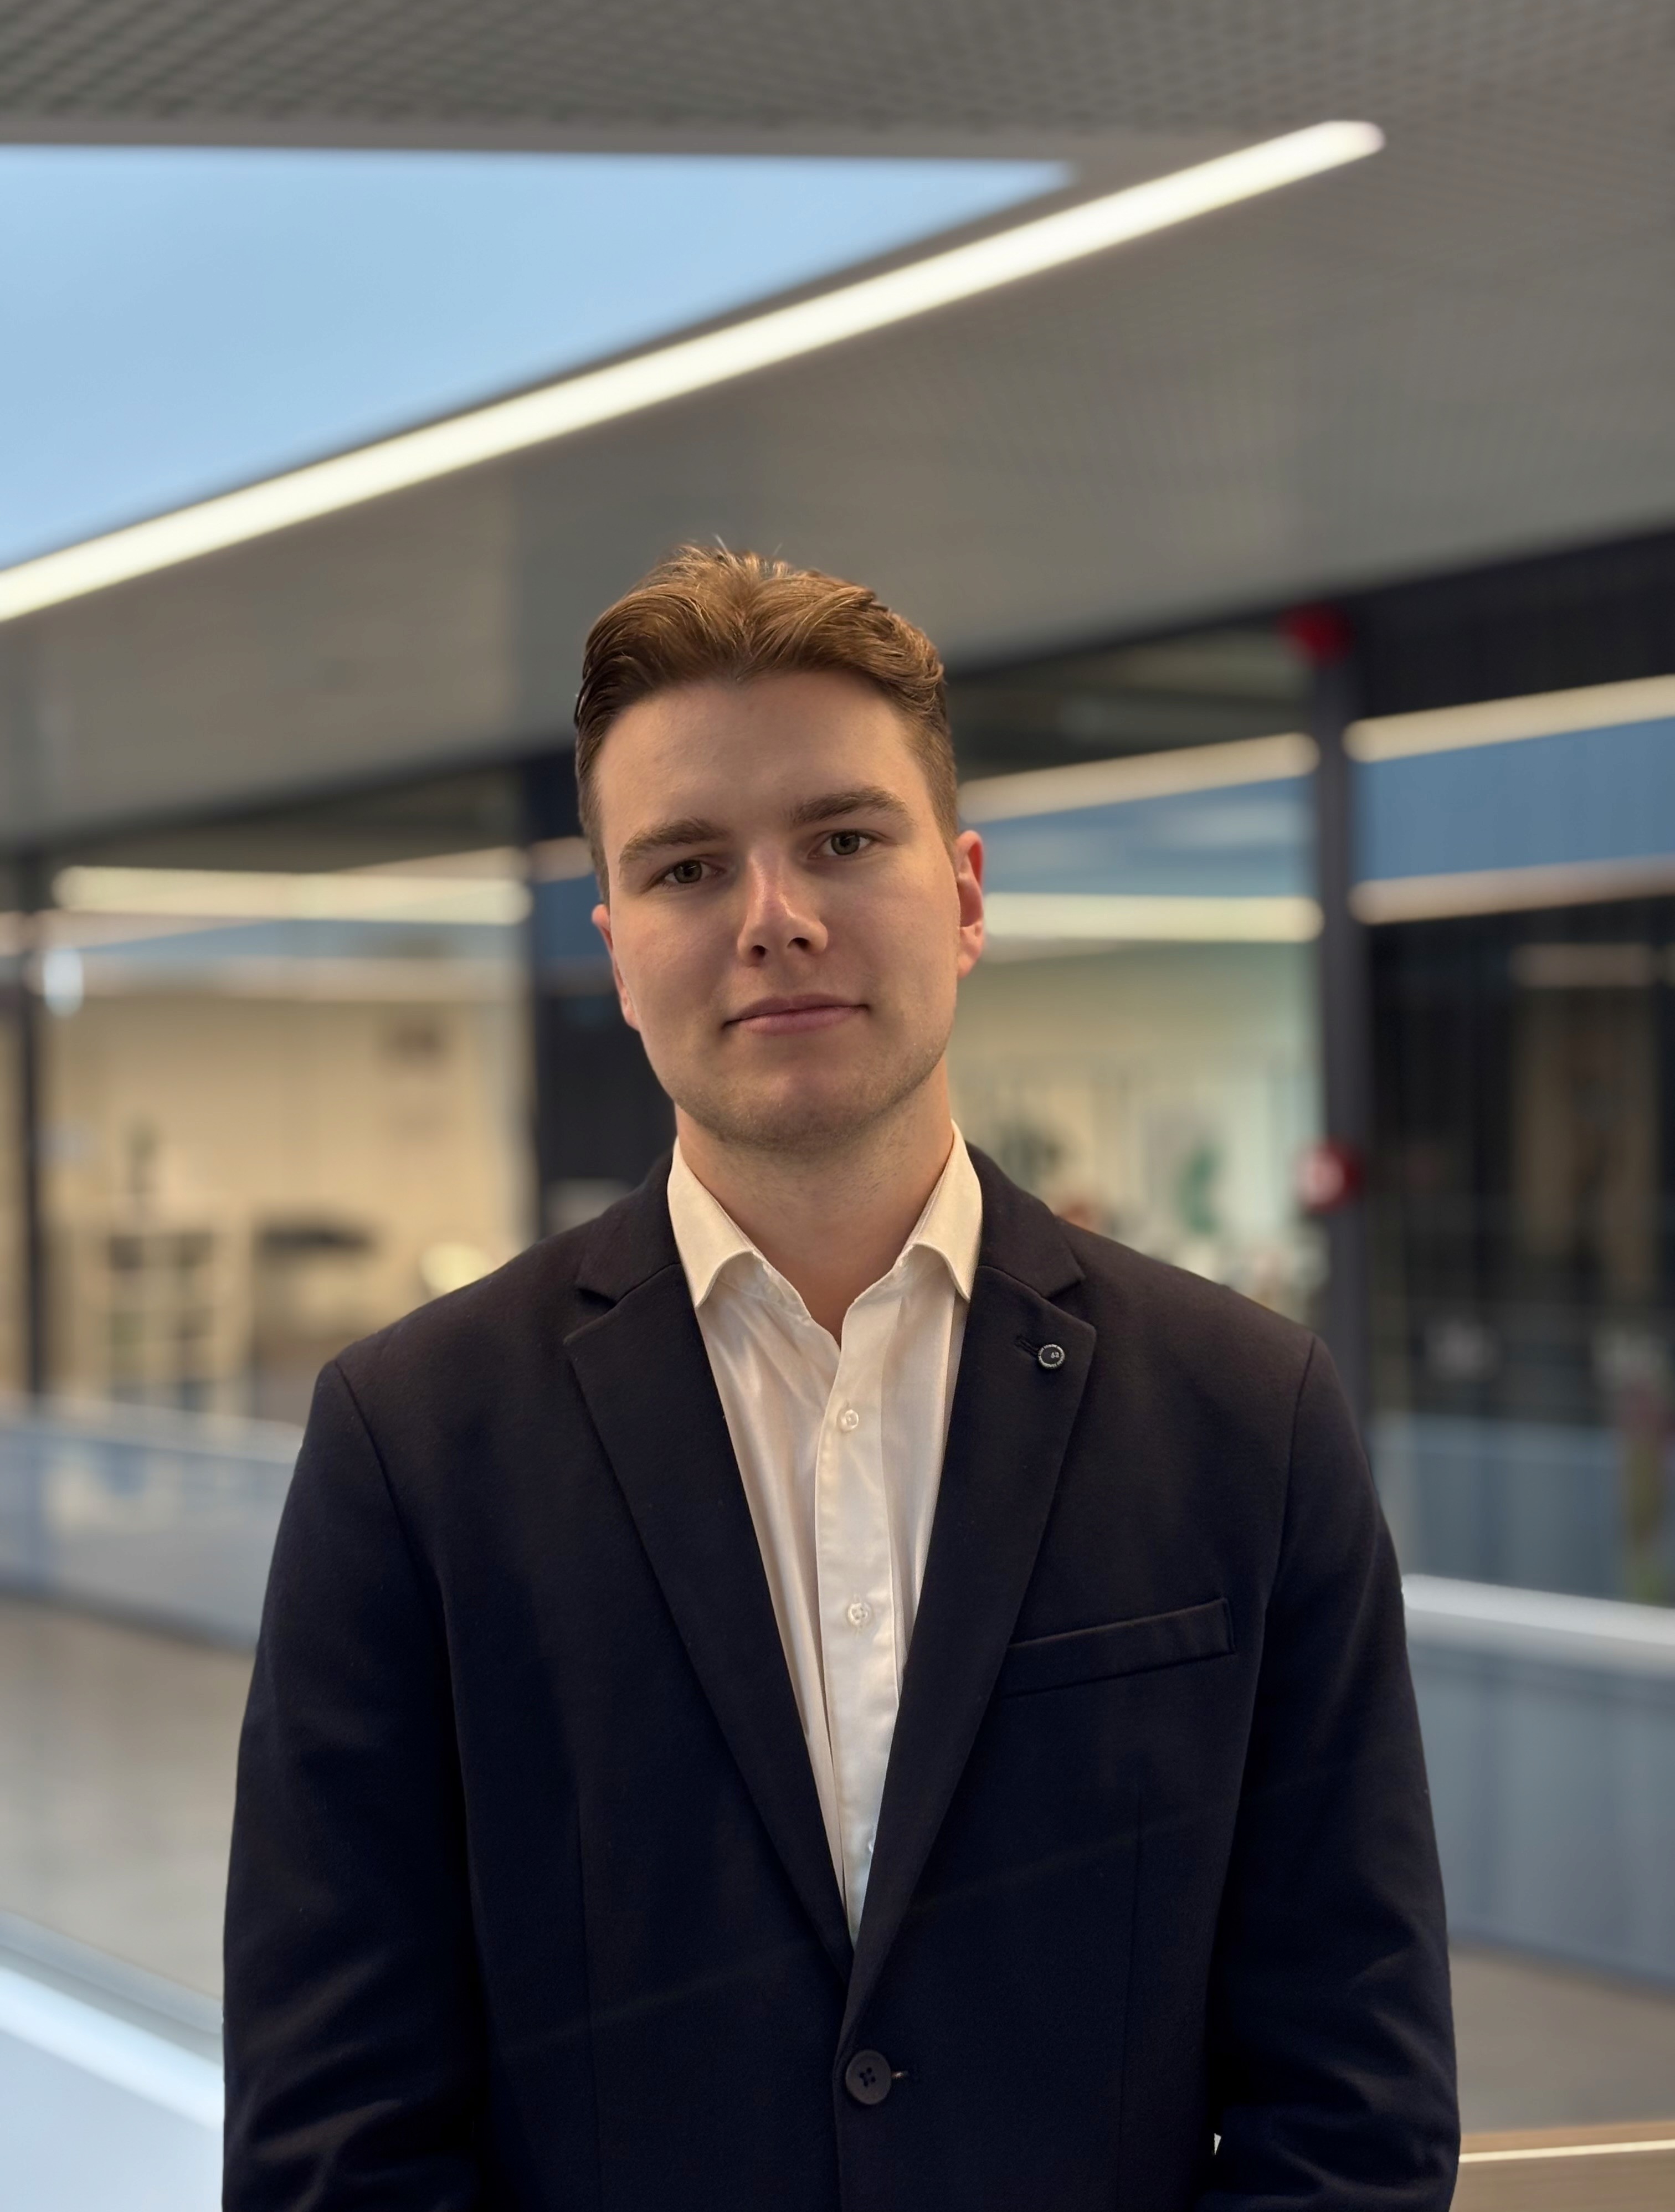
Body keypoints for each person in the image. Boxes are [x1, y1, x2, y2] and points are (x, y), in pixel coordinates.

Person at [223, 548, 1457, 2211]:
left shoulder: (1247, 1414)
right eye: (686, 867)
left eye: (843, 840)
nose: (775, 917)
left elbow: (1354, 2105)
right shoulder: (414, 1444)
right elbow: (333, 2139)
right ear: (618, 951)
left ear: (965, 894)